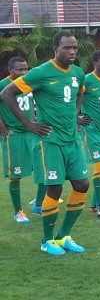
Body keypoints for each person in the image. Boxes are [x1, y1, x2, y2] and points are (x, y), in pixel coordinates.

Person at [1, 30, 89, 256]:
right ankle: (46, 240)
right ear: (55, 49)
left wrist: (75, 115)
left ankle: (64, 235)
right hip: (49, 141)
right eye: (67, 48)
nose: (72, 51)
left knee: (82, 185)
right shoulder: (40, 72)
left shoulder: (78, 73)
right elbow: (7, 93)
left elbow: (80, 92)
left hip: (72, 139)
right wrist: (28, 123)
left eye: (75, 48)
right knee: (54, 188)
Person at [0, 57, 46, 223]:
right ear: (10, 70)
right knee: (15, 175)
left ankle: (39, 205)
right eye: (20, 70)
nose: (24, 72)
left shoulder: (28, 83)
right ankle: (18, 211)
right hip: (14, 135)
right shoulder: (3, 84)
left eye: (26, 69)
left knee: (44, 170)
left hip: (31, 133)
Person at [79, 50, 100, 217]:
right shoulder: (86, 80)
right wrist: (76, 118)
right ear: (95, 64)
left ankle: (94, 204)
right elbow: (72, 98)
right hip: (91, 130)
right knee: (99, 165)